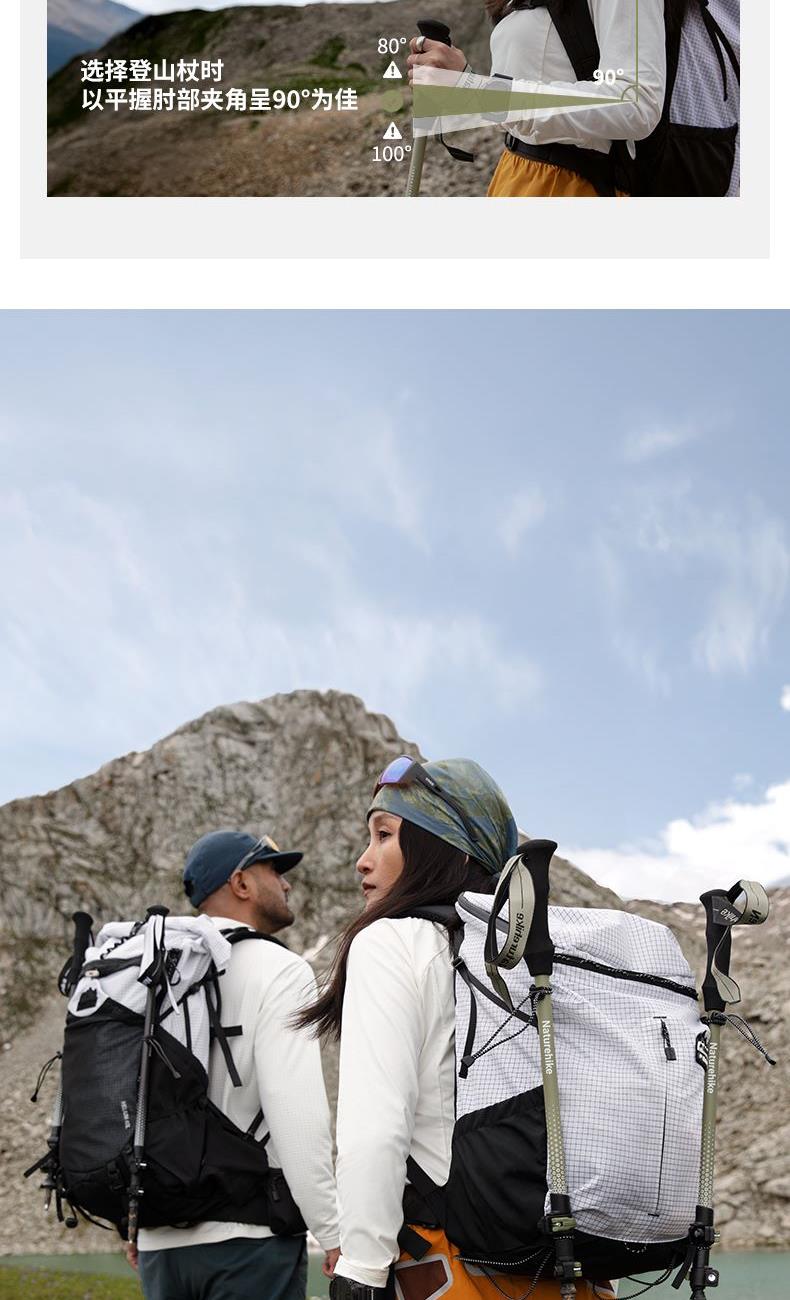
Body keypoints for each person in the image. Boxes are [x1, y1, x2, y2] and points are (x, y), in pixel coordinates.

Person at [300, 757, 612, 1299]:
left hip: (451, 1265)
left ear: (443, 847)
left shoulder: (393, 942)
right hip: (573, 1270)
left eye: (384, 835)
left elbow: (376, 1126)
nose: (363, 860)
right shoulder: (537, 958)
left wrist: (363, 1265)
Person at [131, 829, 340, 1300]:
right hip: (249, 1241)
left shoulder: (151, 972)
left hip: (159, 1244)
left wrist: (133, 1222)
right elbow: (296, 1112)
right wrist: (332, 1231)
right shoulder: (279, 969)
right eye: (274, 871)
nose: (286, 884)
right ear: (241, 883)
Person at [407, 0, 668, 197]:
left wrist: (479, 92)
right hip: (515, 173)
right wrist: (466, 82)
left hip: (572, 186)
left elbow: (636, 103)